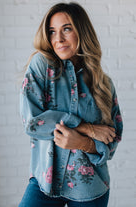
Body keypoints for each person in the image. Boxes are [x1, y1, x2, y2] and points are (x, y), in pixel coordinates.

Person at [19, 2, 123, 207]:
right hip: (44, 186)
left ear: (81, 32)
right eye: (52, 31)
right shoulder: (41, 66)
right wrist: (87, 129)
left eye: (66, 29)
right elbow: (33, 123)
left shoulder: (103, 83)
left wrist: (83, 143)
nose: (58, 39)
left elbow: (112, 139)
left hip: (91, 188)